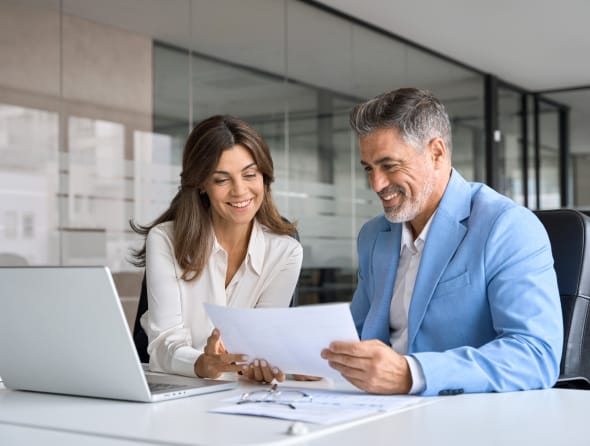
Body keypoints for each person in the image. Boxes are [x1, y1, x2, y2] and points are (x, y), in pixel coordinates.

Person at [321, 88, 563, 396]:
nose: (376, 184)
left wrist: (413, 374)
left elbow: (536, 354)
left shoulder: (506, 227)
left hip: (466, 416)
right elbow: (354, 336)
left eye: (390, 166)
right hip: (377, 410)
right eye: (369, 168)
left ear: (436, 153)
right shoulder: (374, 235)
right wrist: (300, 363)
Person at [130, 115, 302, 383]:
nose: (240, 190)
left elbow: (262, 346)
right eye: (222, 180)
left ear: (264, 176)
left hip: (237, 394)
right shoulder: (164, 240)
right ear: (201, 184)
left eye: (250, 175)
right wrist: (202, 363)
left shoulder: (286, 251)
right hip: (172, 388)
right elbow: (163, 343)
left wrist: (273, 362)